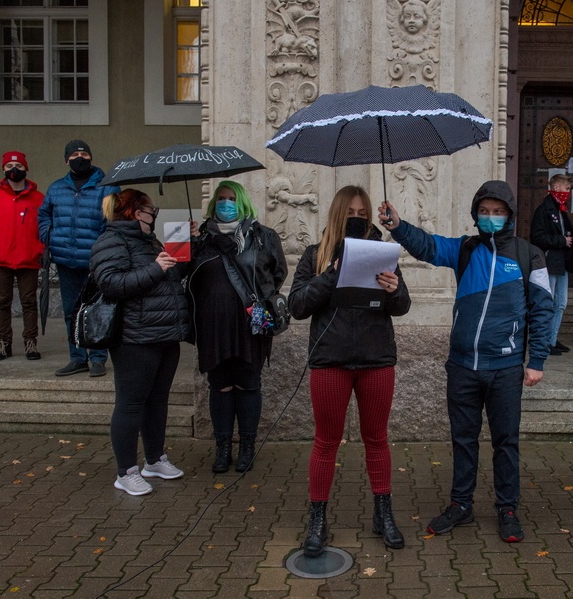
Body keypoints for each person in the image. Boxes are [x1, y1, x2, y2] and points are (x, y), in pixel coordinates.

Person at [379, 180, 552, 544]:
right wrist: (398, 225)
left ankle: (507, 509)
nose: (491, 217)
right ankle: (461, 505)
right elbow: (429, 246)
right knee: (463, 439)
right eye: (485, 212)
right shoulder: (465, 249)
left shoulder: (529, 255)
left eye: (498, 212)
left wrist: (535, 360)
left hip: (505, 368)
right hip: (462, 366)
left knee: (506, 441)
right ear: (476, 214)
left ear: (509, 215)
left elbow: (543, 310)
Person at [289, 185, 411, 556]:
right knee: (326, 441)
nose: (357, 218)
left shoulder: (383, 253)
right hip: (331, 361)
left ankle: (383, 514)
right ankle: (318, 520)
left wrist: (393, 289)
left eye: (363, 212)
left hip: (376, 360)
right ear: (338, 213)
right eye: (351, 212)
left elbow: (402, 305)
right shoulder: (315, 255)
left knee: (377, 438)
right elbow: (297, 305)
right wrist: (331, 274)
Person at [90, 189, 192, 496]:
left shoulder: (150, 241)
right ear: (136, 213)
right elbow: (110, 282)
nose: (155, 214)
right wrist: (155, 267)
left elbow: (170, 276)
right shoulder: (111, 241)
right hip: (134, 338)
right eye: (151, 209)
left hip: (164, 333)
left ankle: (154, 459)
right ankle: (126, 472)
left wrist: (187, 246)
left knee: (157, 399)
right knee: (130, 404)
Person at [188, 181, 287, 475]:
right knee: (220, 386)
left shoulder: (262, 236)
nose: (225, 203)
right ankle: (222, 448)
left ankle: (246, 446)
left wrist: (261, 299)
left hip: (250, 325)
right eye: (220, 199)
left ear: (242, 202)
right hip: (213, 326)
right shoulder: (200, 236)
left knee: (247, 383)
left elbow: (278, 272)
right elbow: (180, 273)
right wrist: (189, 243)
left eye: (231, 199)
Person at [38, 140, 120, 378]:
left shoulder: (107, 187)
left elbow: (113, 221)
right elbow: (44, 215)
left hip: (95, 263)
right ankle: (77, 358)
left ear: (91, 157)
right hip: (65, 261)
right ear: (67, 160)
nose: (80, 157)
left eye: (84, 153)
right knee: (70, 311)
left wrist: (103, 250)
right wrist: (49, 236)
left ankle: (97, 358)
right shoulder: (56, 189)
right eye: (74, 154)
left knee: (97, 311)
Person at [0, 151, 45, 361]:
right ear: (3, 169)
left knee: (29, 303)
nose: (13, 169)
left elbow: (45, 227)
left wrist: (39, 250)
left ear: (26, 168)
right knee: (2, 303)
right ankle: (4, 344)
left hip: (28, 259)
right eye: (9, 166)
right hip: (0, 259)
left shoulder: (38, 198)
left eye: (18, 165)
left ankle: (30, 343)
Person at [530, 172, 573, 356]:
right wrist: (561, 241)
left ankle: (552, 338)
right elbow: (537, 237)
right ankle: (545, 341)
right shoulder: (544, 210)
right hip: (550, 261)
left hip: (561, 262)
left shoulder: (561, 209)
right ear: (556, 188)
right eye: (567, 188)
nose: (568, 192)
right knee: (548, 302)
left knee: (561, 303)